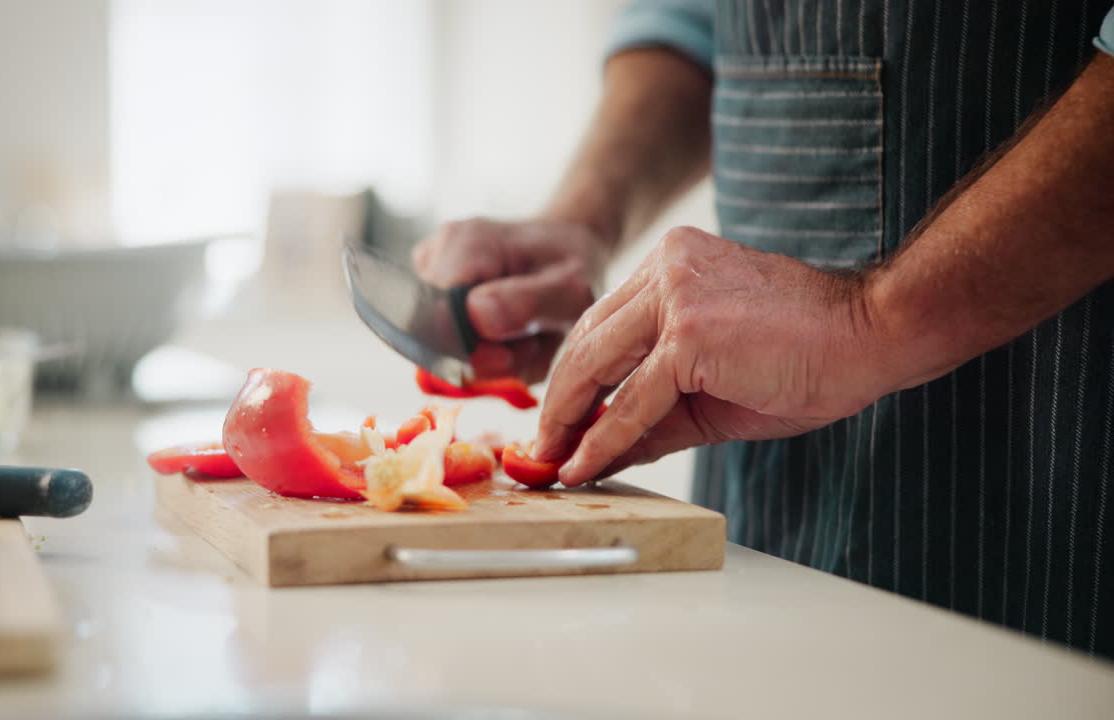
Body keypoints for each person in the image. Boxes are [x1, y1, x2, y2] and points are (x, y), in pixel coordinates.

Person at [412, 2, 1114, 659]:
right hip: (765, 472)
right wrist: (583, 220)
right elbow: (691, 18)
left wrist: (875, 320)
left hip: (1061, 431)